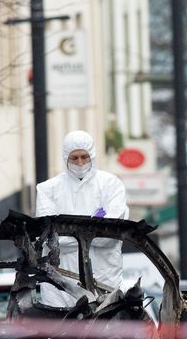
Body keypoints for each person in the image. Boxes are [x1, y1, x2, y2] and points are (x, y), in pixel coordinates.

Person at [36, 130, 129, 307]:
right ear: (66, 158)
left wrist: (65, 237)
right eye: (75, 158)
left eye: (84, 157)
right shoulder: (48, 189)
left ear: (92, 154)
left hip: (104, 281)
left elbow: (109, 238)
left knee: (104, 331)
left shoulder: (111, 185)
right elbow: (48, 239)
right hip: (59, 283)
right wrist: (94, 229)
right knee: (60, 333)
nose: (80, 162)